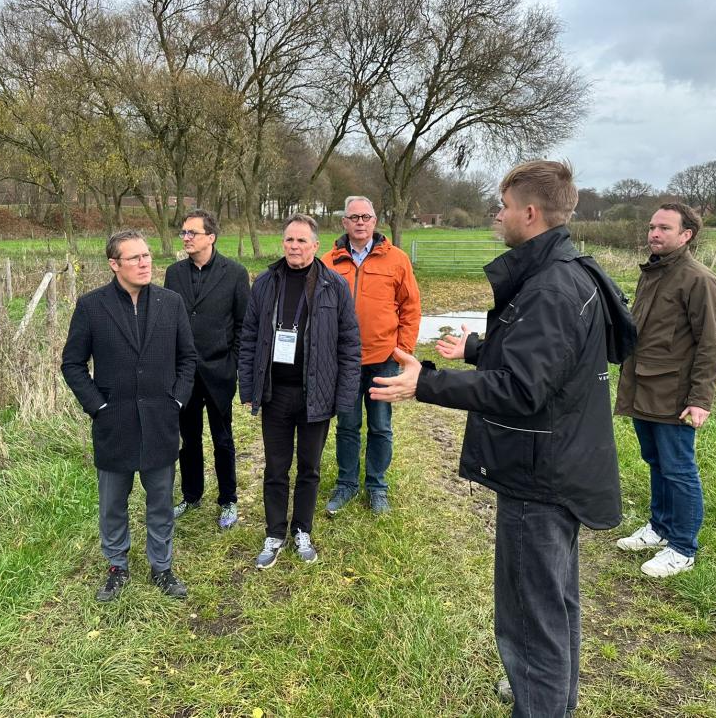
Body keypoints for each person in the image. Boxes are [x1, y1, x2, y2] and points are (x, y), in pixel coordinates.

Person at [370, 161, 626, 718]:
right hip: (556, 464)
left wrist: (427, 384)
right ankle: (550, 697)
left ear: (529, 213)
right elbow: (550, 362)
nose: (497, 214)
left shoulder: (553, 287)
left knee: (530, 613)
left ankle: (539, 701)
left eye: (504, 206)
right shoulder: (561, 273)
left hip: (542, 476)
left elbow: (522, 388)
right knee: (552, 602)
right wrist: (477, 349)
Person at [61, 229, 197, 601]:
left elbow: (188, 359)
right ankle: (116, 566)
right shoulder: (92, 306)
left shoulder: (171, 303)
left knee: (160, 503)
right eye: (135, 257)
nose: (145, 262)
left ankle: (162, 567)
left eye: (147, 255)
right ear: (114, 264)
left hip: (160, 421)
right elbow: (72, 363)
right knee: (112, 504)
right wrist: (98, 406)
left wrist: (177, 401)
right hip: (114, 423)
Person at [238, 214, 361, 569]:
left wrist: (343, 395)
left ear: (315, 245)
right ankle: (275, 532)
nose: (294, 246)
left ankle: (301, 530)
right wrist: (249, 386)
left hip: (315, 397)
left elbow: (350, 344)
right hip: (276, 393)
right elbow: (248, 338)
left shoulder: (333, 285)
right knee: (276, 468)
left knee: (310, 467)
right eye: (289, 240)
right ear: (283, 243)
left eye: (302, 241)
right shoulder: (264, 283)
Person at [614, 203, 716, 578]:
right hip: (643, 386)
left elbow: (711, 343)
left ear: (686, 235)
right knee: (656, 462)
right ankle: (659, 529)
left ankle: (683, 547)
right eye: (651, 227)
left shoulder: (698, 279)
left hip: (674, 394)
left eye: (663, 228)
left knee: (679, 470)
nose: (654, 234)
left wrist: (699, 399)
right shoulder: (653, 271)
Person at [322, 196, 421, 516]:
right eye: (354, 217)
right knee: (348, 425)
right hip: (345, 360)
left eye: (366, 217)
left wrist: (402, 350)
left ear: (375, 221)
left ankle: (377, 486)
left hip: (384, 358)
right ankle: (347, 483)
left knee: (380, 425)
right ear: (344, 223)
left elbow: (410, 307)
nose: (360, 222)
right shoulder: (329, 261)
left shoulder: (397, 260)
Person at [165, 209, 251, 530]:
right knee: (188, 439)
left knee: (222, 439)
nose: (186, 238)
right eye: (183, 233)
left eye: (192, 233)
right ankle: (191, 494)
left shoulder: (235, 273)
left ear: (211, 237)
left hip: (219, 372)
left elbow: (244, 324)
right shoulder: (174, 274)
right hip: (183, 374)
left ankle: (228, 499)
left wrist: (233, 363)